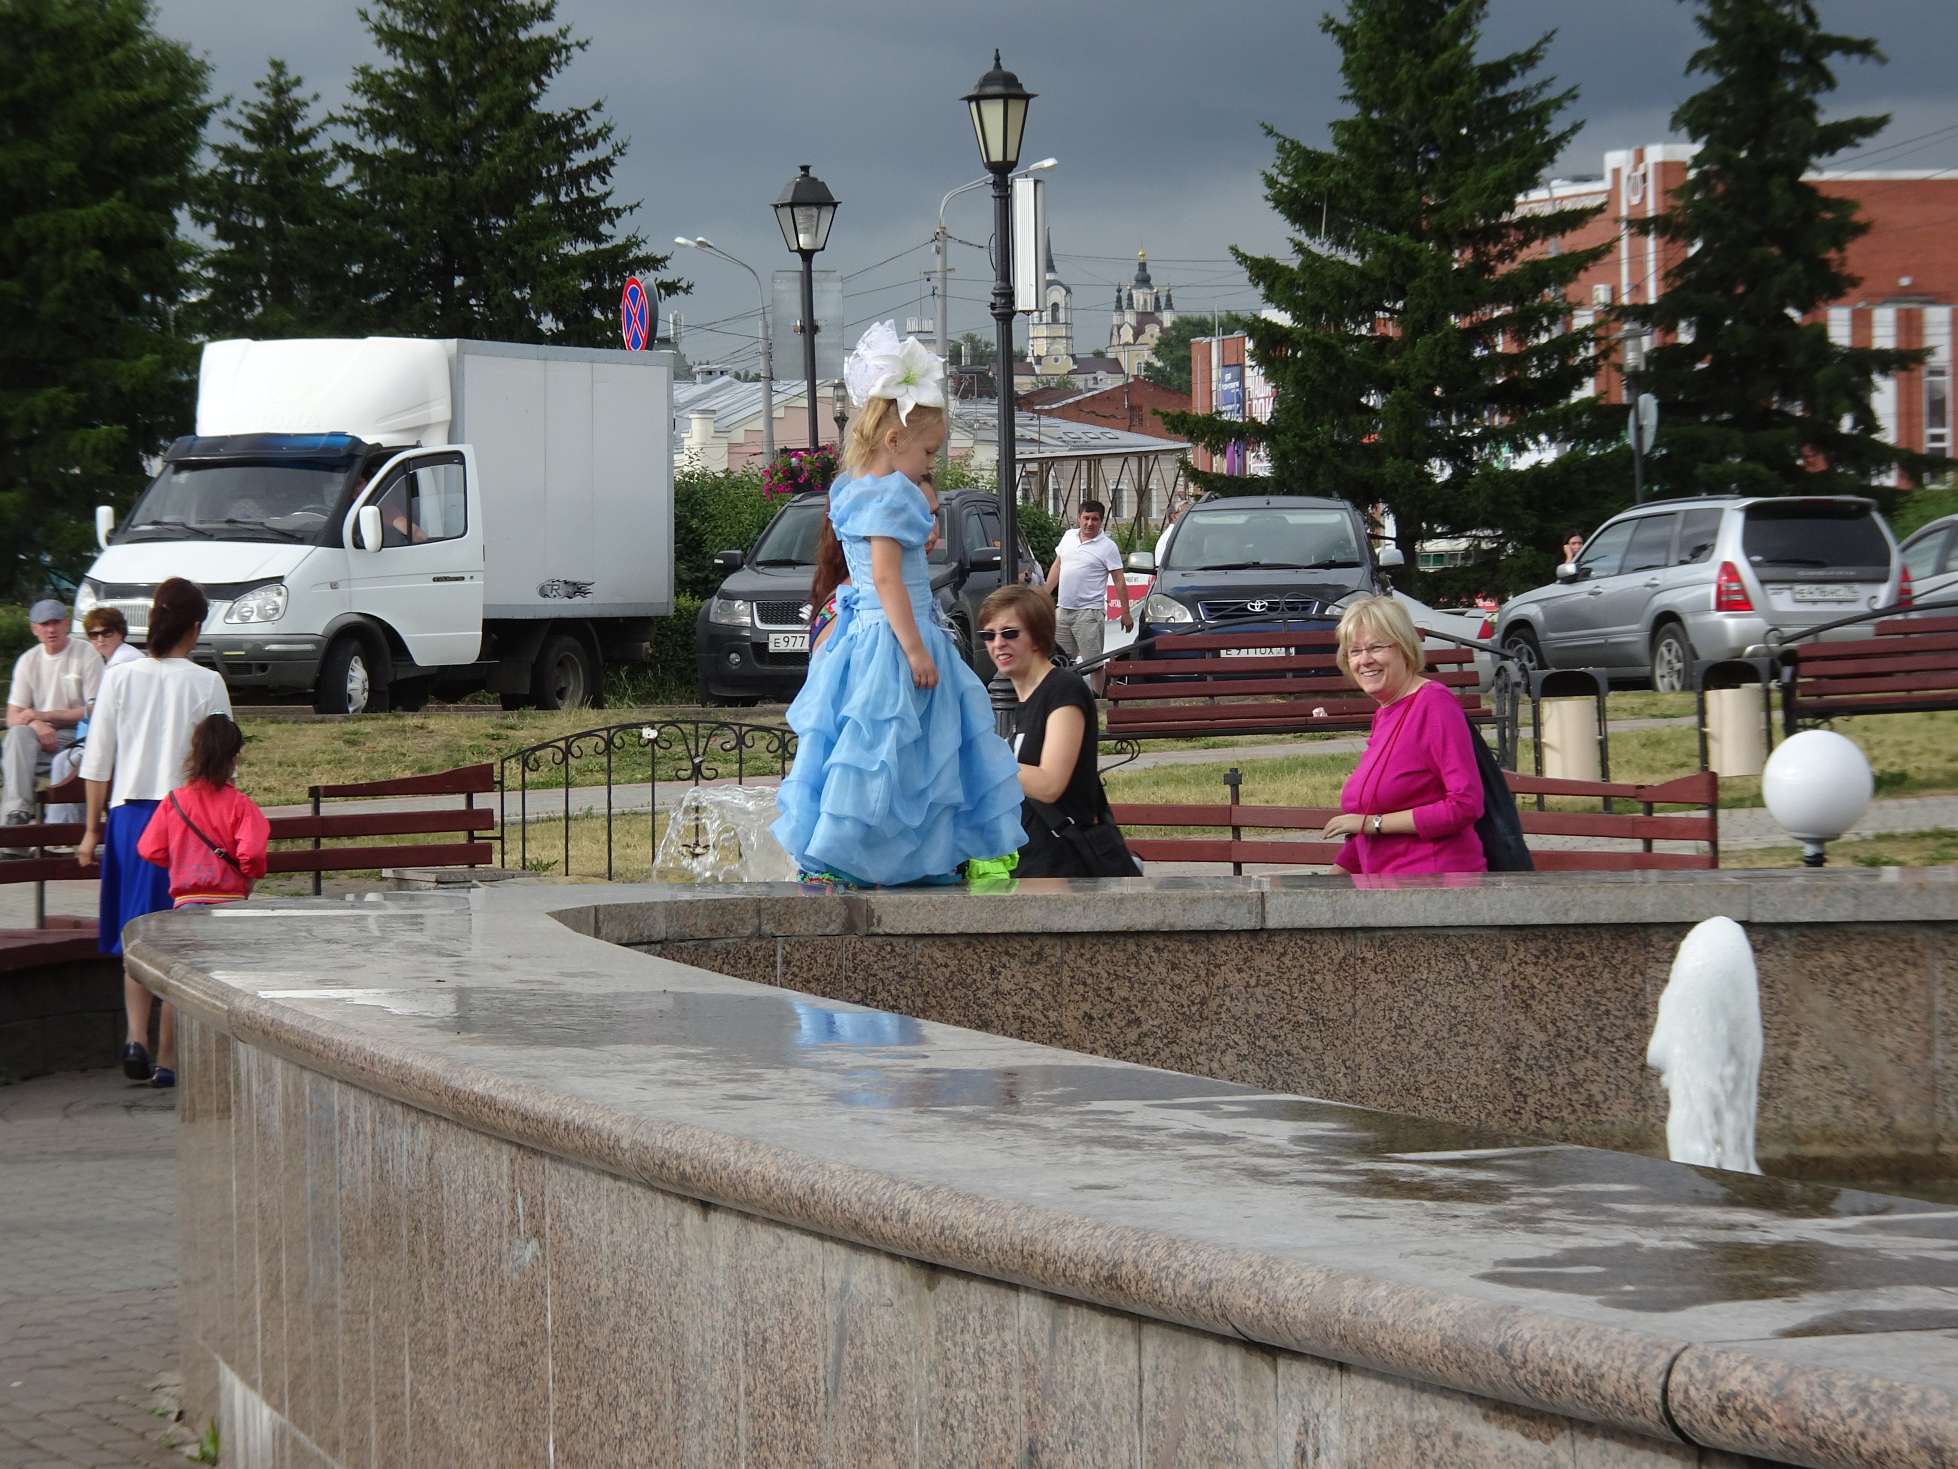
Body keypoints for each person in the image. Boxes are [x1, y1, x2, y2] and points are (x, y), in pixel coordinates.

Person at [771, 322, 1022, 887]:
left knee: (875, 749)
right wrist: (915, 649)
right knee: (894, 750)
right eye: (928, 451)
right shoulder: (889, 496)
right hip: (893, 635)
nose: (931, 463)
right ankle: (862, 855)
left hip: (867, 633)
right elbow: (887, 579)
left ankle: (876, 857)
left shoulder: (856, 487)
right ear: (893, 441)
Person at [77, 578, 233, 1087]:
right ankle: (168, 1057)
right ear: (195, 627)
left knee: (137, 931)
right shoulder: (207, 683)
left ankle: (134, 1039)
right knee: (180, 936)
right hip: (189, 820)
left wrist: (90, 831)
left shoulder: (121, 678)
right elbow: (224, 765)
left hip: (129, 819)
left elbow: (97, 762)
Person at [1320, 594, 1486, 877]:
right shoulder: (1385, 713)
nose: (1364, 660)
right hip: (1387, 884)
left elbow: (1465, 805)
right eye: (1354, 651)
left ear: (1404, 648)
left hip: (1436, 883)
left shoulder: (1434, 704)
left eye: (1376, 647)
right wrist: (1328, 881)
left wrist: (1371, 823)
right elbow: (1365, 829)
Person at [980, 584, 1136, 878]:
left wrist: (983, 761)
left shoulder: (1063, 689)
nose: (997, 643)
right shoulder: (1022, 705)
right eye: (988, 635)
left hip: (1066, 864)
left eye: (1010, 633)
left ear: (1037, 636)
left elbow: (1050, 784)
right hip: (1031, 862)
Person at [137, 713, 269, 911]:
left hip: (186, 901)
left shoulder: (173, 801)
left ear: (194, 752)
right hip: (230, 900)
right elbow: (252, 854)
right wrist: (250, 874)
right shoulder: (241, 805)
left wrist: (182, 862)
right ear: (234, 757)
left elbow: (149, 849)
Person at [2, 599, 101, 852]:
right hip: (39, 739)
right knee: (17, 736)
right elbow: (13, 714)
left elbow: (95, 708)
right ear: (34, 629)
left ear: (66, 624)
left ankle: (60, 835)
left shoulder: (86, 653)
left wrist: (45, 715)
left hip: (78, 734)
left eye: (56, 622)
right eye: (44, 624)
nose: (51, 629)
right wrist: (37, 724)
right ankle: (17, 817)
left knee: (33, 754)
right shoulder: (28, 660)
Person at [44, 607, 146, 828]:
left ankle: (64, 831)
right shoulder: (121, 659)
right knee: (66, 758)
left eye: (106, 633)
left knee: (67, 761)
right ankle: (66, 828)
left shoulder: (122, 664)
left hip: (123, 747)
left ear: (120, 632)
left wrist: (91, 708)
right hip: (120, 742)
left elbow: (108, 715)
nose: (100, 639)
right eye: (93, 634)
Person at [1046, 500, 1133, 693]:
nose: (1089, 523)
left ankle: (1097, 700)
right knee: (1060, 661)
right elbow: (1058, 565)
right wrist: (1044, 594)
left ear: (1101, 521)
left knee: (1094, 663)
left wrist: (1125, 612)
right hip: (1063, 610)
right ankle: (1063, 699)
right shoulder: (1068, 536)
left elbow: (1119, 580)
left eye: (1095, 519)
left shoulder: (1107, 546)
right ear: (1079, 518)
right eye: (1086, 518)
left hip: (1089, 613)